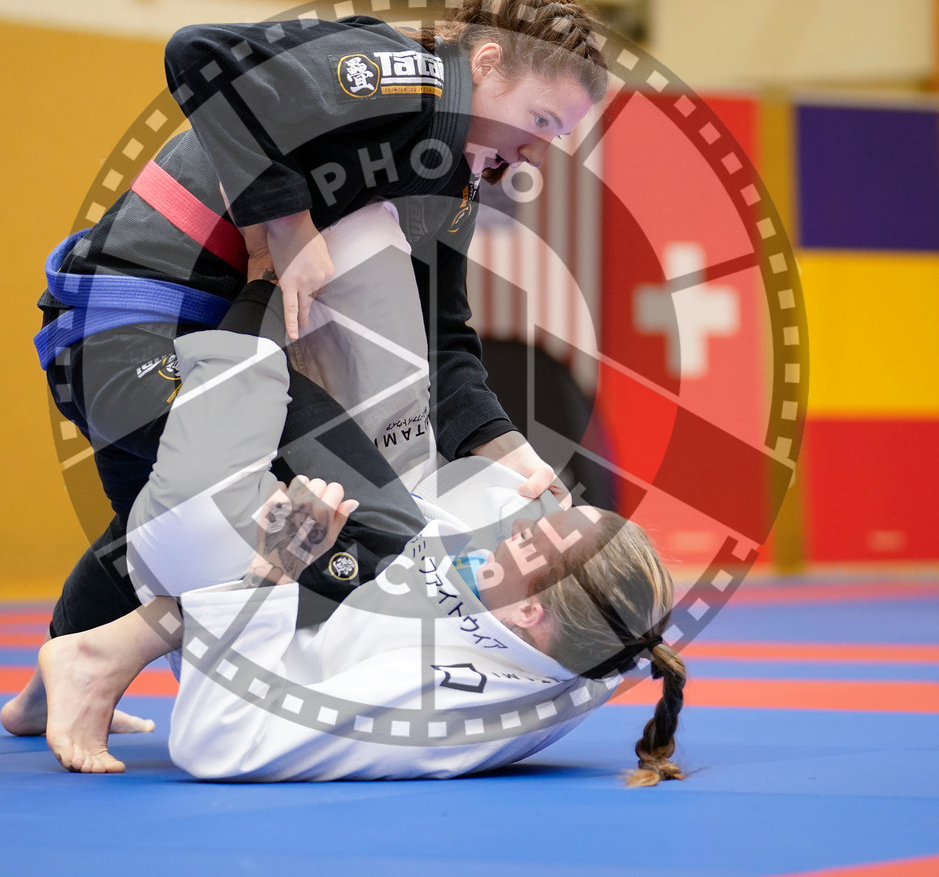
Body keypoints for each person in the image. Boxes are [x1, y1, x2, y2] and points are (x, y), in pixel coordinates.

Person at [4, 0, 609, 735]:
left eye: (557, 136)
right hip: (127, 340)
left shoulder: (447, 182)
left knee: (179, 528)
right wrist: (289, 226)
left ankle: (55, 681)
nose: (537, 150)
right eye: (539, 119)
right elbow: (201, 51)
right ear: (484, 64)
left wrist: (509, 453)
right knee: (362, 527)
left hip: (199, 348)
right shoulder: (414, 79)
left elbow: (444, 341)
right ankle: (96, 660)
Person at [37, 278, 687, 785]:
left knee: (197, 497)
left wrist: (272, 571)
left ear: (529, 614)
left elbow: (217, 743)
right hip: (341, 576)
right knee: (356, 259)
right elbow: (578, 589)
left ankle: (97, 654)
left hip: (254, 606)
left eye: (528, 539)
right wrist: (499, 452)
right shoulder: (590, 629)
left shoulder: (441, 702)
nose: (524, 524)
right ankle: (86, 659)